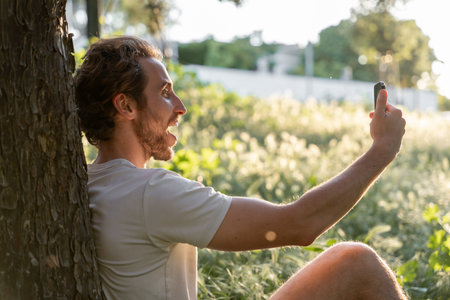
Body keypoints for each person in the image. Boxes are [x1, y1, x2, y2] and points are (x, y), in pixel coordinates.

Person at [75, 36, 407, 300]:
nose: (181, 107)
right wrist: (383, 150)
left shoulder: (88, 182)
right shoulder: (150, 193)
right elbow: (300, 224)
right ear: (126, 105)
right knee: (355, 262)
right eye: (164, 93)